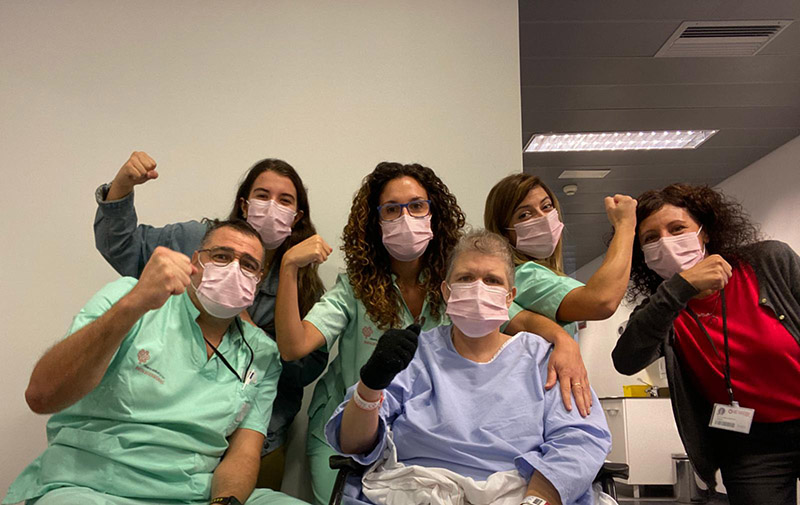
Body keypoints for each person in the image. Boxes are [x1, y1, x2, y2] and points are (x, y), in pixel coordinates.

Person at [275, 162, 587, 504]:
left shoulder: (459, 283)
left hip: (418, 442)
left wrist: (564, 342)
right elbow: (294, 347)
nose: (405, 217)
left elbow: (521, 320)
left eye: (416, 206)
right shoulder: (354, 288)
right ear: (376, 221)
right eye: (392, 209)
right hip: (351, 420)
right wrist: (289, 267)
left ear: (433, 213)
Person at [4, 220, 304, 505]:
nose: (234, 269)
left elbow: (243, 454)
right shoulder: (131, 297)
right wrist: (135, 303)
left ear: (258, 281)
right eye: (221, 256)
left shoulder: (261, 354)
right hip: (92, 485)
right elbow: (41, 396)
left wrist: (224, 501)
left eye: (248, 265)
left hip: (194, 494)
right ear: (196, 261)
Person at [325, 229, 612, 505]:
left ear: (510, 296)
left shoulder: (543, 359)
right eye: (465, 278)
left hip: (521, 493)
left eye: (492, 280)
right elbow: (352, 443)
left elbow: (580, 440)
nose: (478, 289)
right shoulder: (413, 355)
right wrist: (371, 386)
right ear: (446, 291)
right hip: (415, 489)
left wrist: (537, 500)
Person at [93, 151, 327, 488]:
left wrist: (251, 332)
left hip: (256, 438)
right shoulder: (194, 241)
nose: (271, 207)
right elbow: (122, 246)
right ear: (244, 204)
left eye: (284, 200)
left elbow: (304, 369)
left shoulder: (302, 284)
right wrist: (122, 187)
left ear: (297, 215)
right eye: (262, 196)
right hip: (164, 427)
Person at [611, 183, 800, 505]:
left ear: (705, 232)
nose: (665, 241)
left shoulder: (767, 262)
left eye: (677, 229)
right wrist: (680, 287)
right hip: (750, 445)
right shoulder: (664, 308)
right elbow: (626, 360)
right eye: (651, 238)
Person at [484, 173, 637, 405]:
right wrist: (625, 226)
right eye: (524, 214)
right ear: (504, 232)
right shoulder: (523, 275)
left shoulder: (539, 273)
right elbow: (601, 300)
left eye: (546, 207)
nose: (543, 218)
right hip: (543, 399)